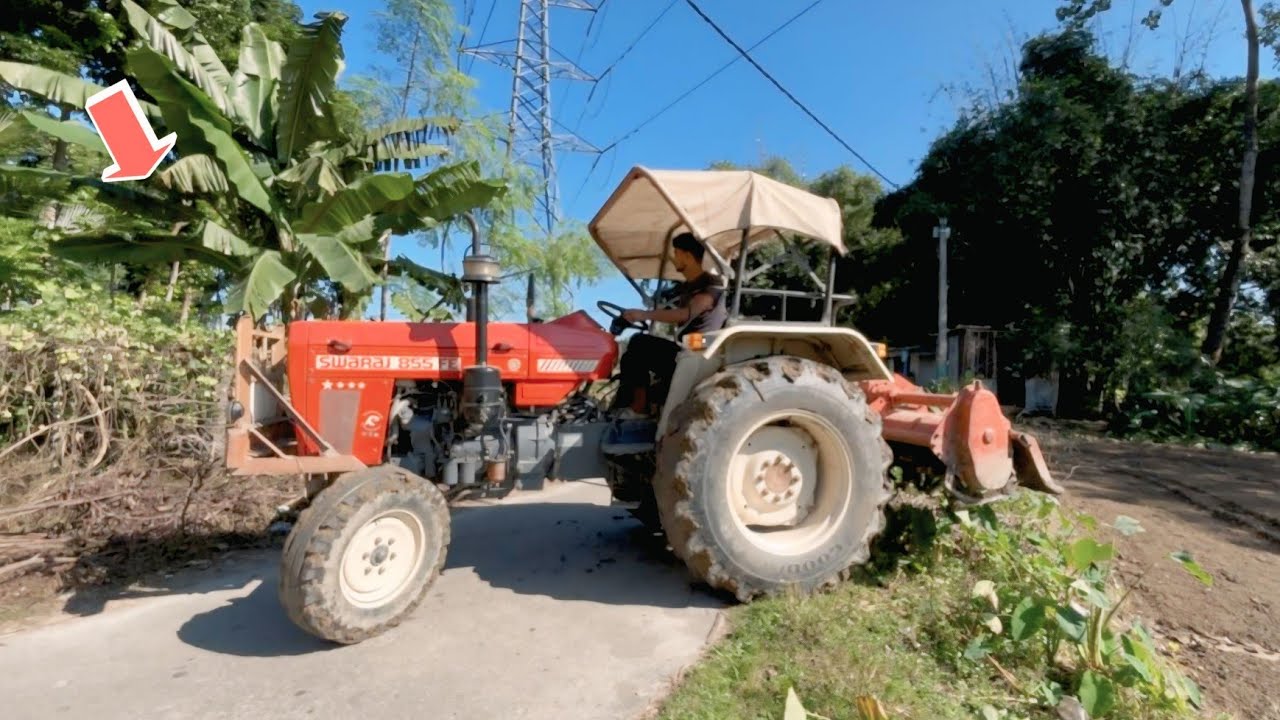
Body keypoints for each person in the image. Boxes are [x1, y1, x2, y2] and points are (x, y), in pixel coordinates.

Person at [614, 233, 728, 417]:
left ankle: (638, 409)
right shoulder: (687, 287)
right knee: (630, 357)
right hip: (687, 345)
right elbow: (669, 307)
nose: (674, 259)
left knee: (640, 343)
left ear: (688, 256)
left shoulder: (710, 284)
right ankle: (622, 409)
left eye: (677, 254)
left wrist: (643, 314)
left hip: (703, 345)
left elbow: (686, 313)